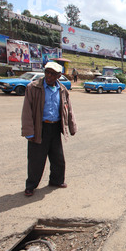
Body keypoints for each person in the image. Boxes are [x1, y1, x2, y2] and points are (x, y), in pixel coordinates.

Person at [21, 62, 78, 196]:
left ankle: (56, 181)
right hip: (40, 127)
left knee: (58, 158)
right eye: (47, 72)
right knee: (36, 160)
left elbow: (68, 109)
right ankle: (31, 186)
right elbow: (26, 111)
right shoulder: (33, 87)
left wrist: (72, 126)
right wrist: (28, 131)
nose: (49, 76)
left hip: (55, 127)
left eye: (53, 74)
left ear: (59, 75)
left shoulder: (62, 90)